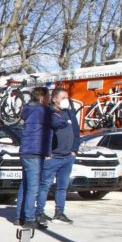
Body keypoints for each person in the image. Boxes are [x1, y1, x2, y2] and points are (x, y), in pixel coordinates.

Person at [16, 86, 67, 229]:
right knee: (33, 187)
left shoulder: (28, 109)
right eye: (49, 96)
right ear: (42, 97)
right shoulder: (43, 111)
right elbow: (60, 123)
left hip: (25, 151)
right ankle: (29, 218)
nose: (50, 99)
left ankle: (19, 216)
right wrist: (62, 111)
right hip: (35, 151)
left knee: (25, 185)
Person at [37, 87, 80, 224]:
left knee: (62, 187)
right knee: (45, 186)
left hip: (67, 157)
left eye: (67, 98)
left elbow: (76, 133)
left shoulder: (69, 114)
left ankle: (59, 213)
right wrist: (47, 152)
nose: (66, 101)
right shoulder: (48, 114)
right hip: (52, 157)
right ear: (54, 99)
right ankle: (39, 213)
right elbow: (44, 135)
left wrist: (74, 150)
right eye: (63, 98)